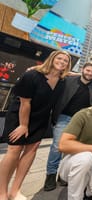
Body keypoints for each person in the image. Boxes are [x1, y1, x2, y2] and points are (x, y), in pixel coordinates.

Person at [0, 50, 71, 200]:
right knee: (14, 151)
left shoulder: (62, 80)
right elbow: (25, 103)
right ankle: (2, 192)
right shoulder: (32, 75)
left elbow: (75, 74)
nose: (62, 62)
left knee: (31, 151)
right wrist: (23, 125)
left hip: (40, 118)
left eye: (65, 61)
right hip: (20, 116)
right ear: (52, 59)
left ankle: (15, 190)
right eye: (59, 58)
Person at [43, 62, 92, 191]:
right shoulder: (69, 80)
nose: (90, 73)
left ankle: (63, 174)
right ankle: (50, 175)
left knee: (72, 148)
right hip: (64, 117)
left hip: (81, 121)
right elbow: (57, 72)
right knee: (57, 146)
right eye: (88, 70)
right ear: (82, 70)